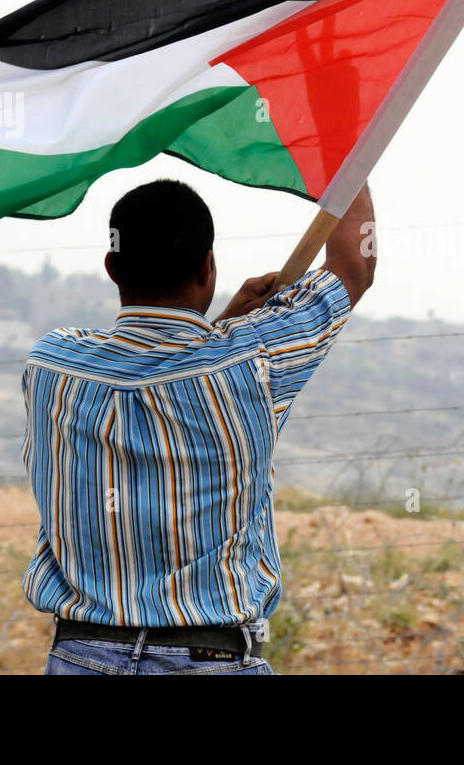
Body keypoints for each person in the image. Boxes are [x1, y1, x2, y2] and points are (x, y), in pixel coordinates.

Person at [21, 178, 376, 675]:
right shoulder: (253, 363)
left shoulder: (51, 366)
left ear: (112, 267)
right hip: (209, 659)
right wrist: (355, 144)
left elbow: (159, 379)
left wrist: (223, 324)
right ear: (208, 267)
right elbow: (353, 268)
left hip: (80, 656)